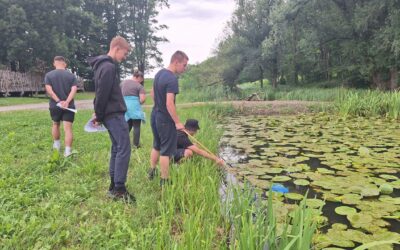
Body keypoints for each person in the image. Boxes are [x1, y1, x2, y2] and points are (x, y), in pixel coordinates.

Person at [88, 35, 135, 202]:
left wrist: (99, 113)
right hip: (113, 115)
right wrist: (98, 115)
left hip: (110, 115)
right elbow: (102, 94)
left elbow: (100, 92)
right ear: (117, 48)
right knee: (124, 148)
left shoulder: (101, 66)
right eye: (124, 53)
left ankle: (113, 186)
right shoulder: (108, 67)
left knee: (117, 148)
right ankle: (119, 190)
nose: (124, 57)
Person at [148, 51, 189, 185]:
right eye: (184, 65)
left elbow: (152, 94)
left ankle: (152, 171)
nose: (185, 68)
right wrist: (177, 122)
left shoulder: (159, 73)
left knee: (157, 145)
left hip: (155, 114)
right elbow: (169, 103)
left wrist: (158, 106)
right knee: (166, 150)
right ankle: (164, 180)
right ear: (176, 62)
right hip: (165, 119)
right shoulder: (172, 79)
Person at [44, 56, 78, 157]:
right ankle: (67, 152)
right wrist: (67, 102)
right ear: (65, 64)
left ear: (54, 64)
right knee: (68, 128)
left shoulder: (49, 75)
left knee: (55, 124)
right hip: (69, 106)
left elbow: (49, 90)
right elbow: (74, 89)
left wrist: (58, 101)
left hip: (55, 105)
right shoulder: (71, 76)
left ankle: (57, 146)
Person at [120, 68, 146, 148]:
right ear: (139, 77)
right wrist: (139, 102)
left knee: (127, 125)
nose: (141, 81)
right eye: (141, 80)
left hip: (124, 107)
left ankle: (123, 143)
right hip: (134, 107)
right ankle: (135, 145)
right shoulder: (139, 86)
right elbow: (142, 99)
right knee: (136, 126)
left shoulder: (122, 83)